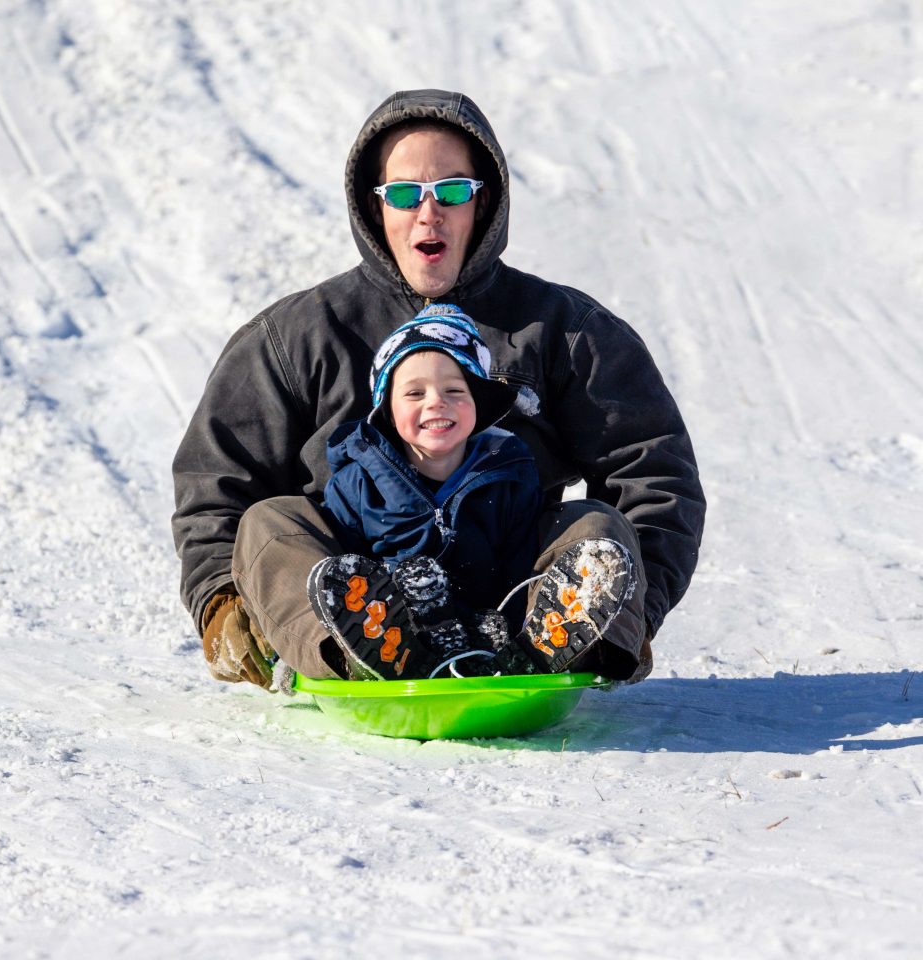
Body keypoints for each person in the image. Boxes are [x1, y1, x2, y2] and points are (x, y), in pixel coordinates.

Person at [172, 88, 705, 690]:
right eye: (405, 194)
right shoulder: (296, 337)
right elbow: (218, 482)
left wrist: (636, 608)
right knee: (270, 524)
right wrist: (223, 606)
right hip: (364, 594)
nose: (430, 214)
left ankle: (555, 648)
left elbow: (653, 472)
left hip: (514, 593)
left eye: (452, 191)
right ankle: (358, 650)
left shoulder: (562, 330)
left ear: (485, 204)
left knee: (595, 527)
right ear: (376, 210)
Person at [310, 302, 635, 681]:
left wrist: (505, 623)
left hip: (491, 626)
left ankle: (539, 650)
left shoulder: (508, 473)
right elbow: (344, 565)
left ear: (477, 404)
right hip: (393, 634)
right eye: (414, 394)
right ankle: (379, 655)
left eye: (454, 389)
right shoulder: (357, 484)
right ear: (386, 408)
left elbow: (520, 564)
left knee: (594, 520)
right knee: (284, 525)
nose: (436, 401)